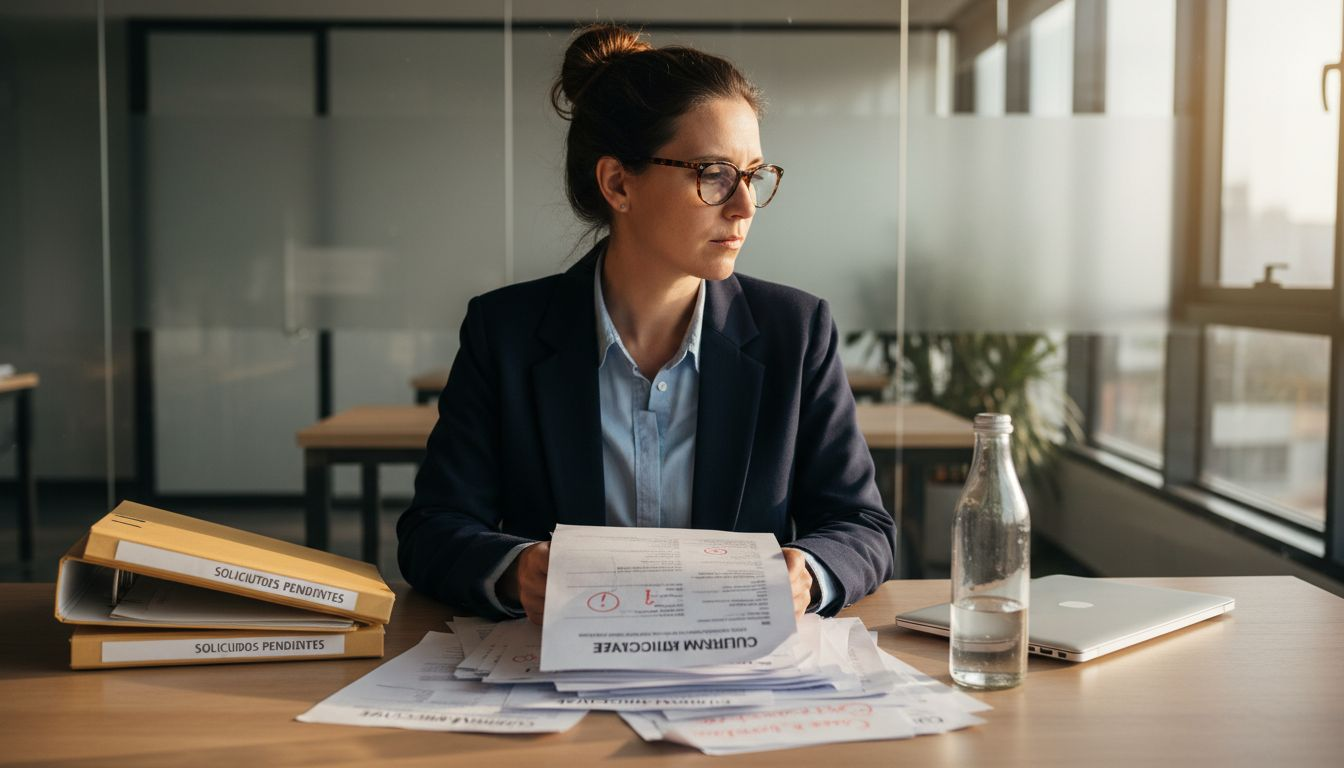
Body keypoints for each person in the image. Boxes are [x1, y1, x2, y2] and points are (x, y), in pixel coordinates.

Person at [397, 23, 894, 625]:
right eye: (712, 173)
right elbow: (433, 530)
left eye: (754, 176)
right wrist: (516, 568)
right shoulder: (505, 333)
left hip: (737, 681)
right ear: (618, 183)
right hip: (557, 677)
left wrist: (807, 573)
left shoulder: (796, 330)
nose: (743, 206)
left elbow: (861, 524)